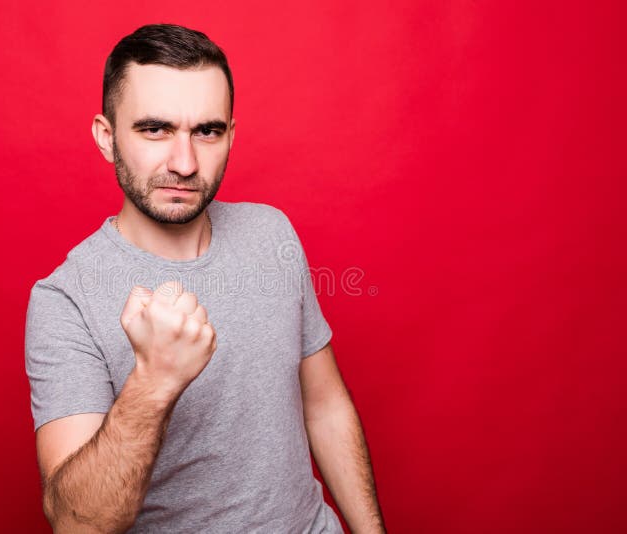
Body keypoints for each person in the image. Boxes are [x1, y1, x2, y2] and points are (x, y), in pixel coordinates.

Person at [25, 23, 386, 533]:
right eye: (155, 129)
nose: (185, 162)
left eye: (207, 131)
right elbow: (78, 524)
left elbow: (324, 405)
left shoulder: (270, 231)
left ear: (231, 135)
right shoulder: (66, 298)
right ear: (106, 138)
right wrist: (154, 383)